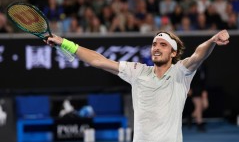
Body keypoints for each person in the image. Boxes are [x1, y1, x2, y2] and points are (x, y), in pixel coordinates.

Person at [45, 29, 229, 142]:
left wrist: (212, 40)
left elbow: (198, 55)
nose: (156, 47)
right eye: (154, 44)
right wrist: (65, 43)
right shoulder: (138, 71)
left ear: (173, 53)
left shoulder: (180, 72)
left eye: (163, 45)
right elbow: (99, 61)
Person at [188, 64, 209, 132]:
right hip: (194, 89)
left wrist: (205, 90)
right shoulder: (192, 65)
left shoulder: (204, 66)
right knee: (199, 106)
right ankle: (199, 124)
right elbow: (188, 78)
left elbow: (205, 79)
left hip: (202, 89)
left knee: (205, 105)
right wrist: (189, 88)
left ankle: (191, 116)